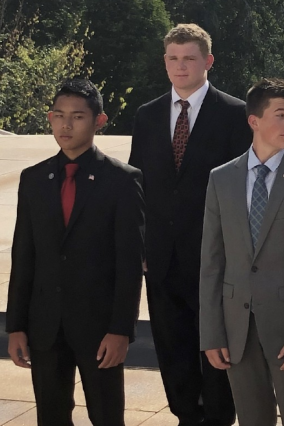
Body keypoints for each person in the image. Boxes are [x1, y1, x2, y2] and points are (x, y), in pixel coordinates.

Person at [128, 23, 252, 426]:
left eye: (189, 58)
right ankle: (186, 416)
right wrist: (141, 247)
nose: (180, 67)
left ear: (208, 61)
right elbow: (138, 186)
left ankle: (218, 418)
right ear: (165, 61)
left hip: (215, 257)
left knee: (216, 347)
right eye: (173, 58)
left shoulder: (235, 114)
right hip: (161, 259)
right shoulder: (147, 116)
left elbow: (246, 189)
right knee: (171, 347)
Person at [5, 79, 145, 426]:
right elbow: (24, 256)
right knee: (51, 416)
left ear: (99, 120)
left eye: (78, 117)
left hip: (99, 327)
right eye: (59, 116)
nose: (66, 125)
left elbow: (129, 263)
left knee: (106, 414)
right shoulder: (34, 179)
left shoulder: (122, 180)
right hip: (45, 324)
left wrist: (121, 329)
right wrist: (16, 325)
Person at [199, 78, 284, 426]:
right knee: (251, 418)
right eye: (281, 115)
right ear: (254, 121)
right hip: (236, 328)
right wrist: (212, 333)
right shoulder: (221, 178)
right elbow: (212, 262)